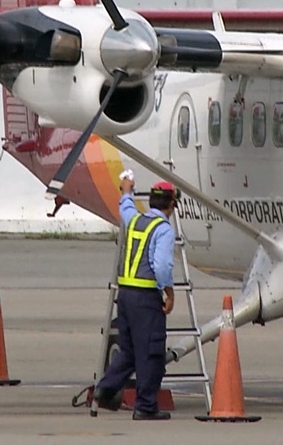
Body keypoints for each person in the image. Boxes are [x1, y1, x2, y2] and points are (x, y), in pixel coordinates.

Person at [93, 175, 178, 421]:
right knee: (150, 353)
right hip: (146, 298)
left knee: (129, 352)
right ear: (171, 204)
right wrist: (169, 292)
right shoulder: (163, 230)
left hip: (125, 296)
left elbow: (126, 207)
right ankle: (146, 406)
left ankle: (105, 389)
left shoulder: (135, 220)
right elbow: (161, 266)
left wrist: (126, 191)